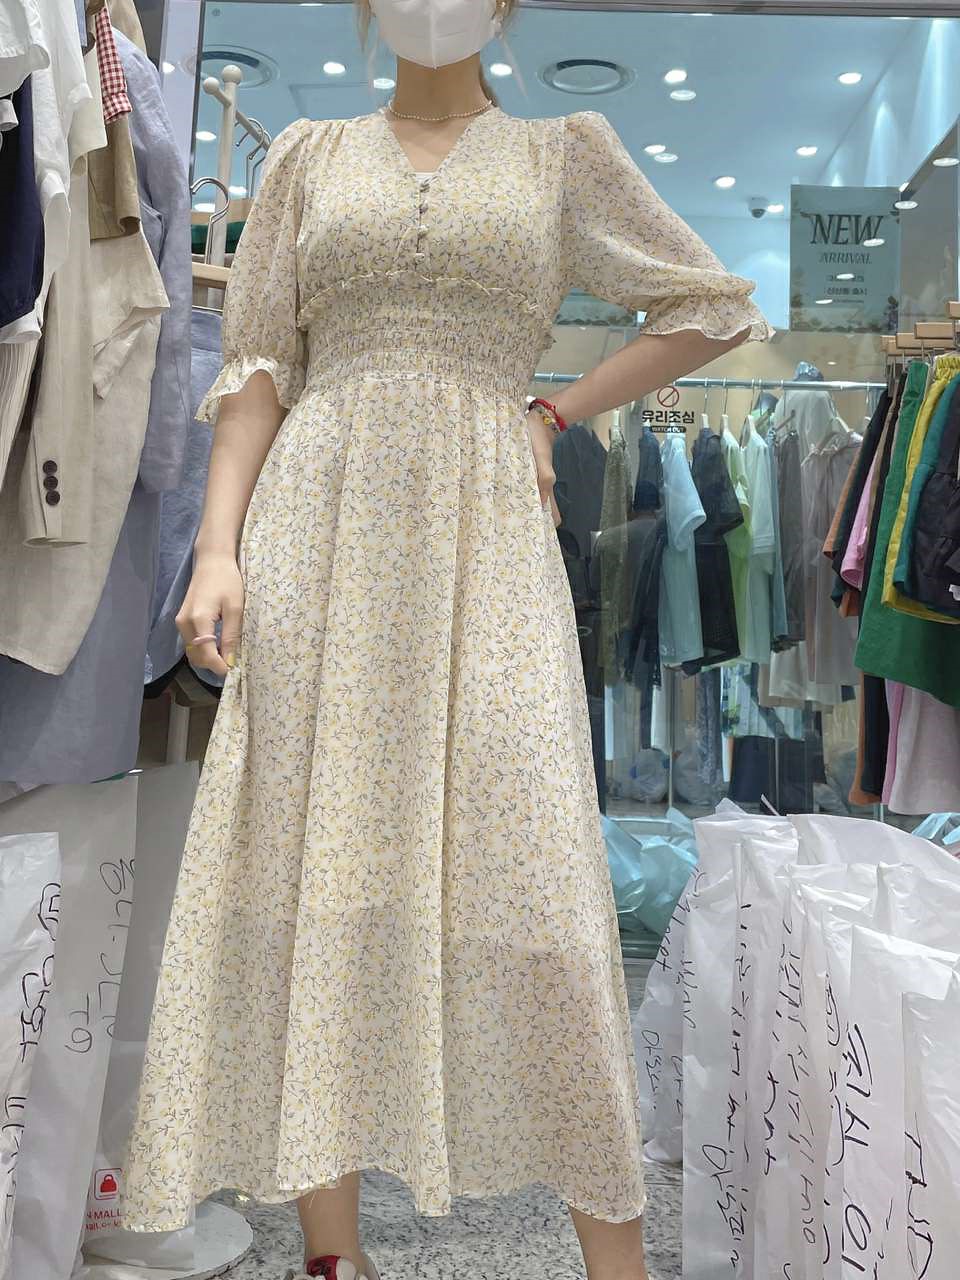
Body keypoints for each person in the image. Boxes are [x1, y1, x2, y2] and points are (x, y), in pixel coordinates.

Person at [118, 3, 772, 1278]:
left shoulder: (561, 156)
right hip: (322, 529)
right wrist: (217, 547)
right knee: (319, 866)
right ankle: (334, 1256)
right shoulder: (305, 155)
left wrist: (556, 409)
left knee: (544, 881)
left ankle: (618, 1261)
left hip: (487, 533)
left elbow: (712, 304)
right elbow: (257, 369)